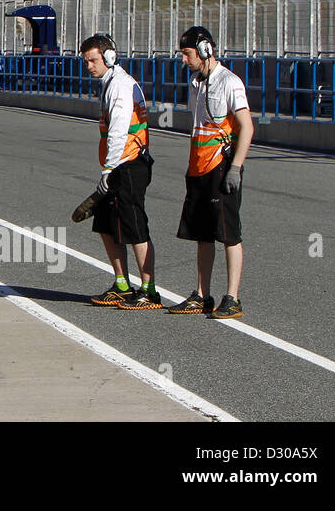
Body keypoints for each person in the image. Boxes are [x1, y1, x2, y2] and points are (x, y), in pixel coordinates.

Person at [167, 26, 253, 320]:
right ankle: (203, 294)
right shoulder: (196, 84)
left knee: (228, 233)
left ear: (205, 50)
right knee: (202, 233)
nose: (184, 60)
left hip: (222, 167)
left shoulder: (229, 82)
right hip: (198, 166)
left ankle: (233, 297)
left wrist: (236, 168)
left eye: (187, 54)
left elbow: (247, 127)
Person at [78, 34, 159, 309]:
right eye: (85, 61)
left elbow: (118, 131)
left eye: (93, 60)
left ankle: (148, 289)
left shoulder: (120, 86)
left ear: (109, 56)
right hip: (116, 166)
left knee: (134, 226)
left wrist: (108, 171)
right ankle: (122, 284)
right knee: (105, 223)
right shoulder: (109, 83)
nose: (89, 66)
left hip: (128, 164)